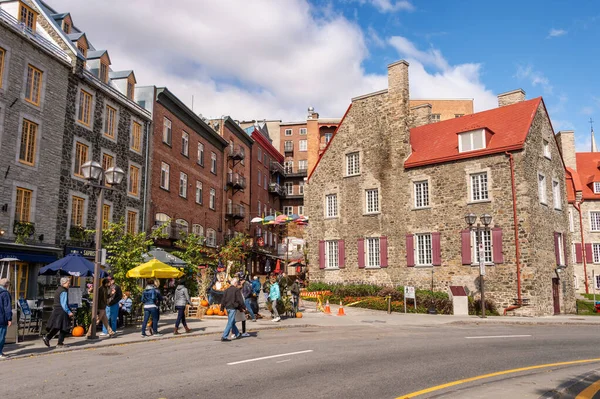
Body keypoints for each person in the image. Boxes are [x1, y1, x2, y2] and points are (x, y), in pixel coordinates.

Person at [43, 277, 75, 348]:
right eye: (68, 282)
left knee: (57, 326)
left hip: (57, 310)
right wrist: (69, 312)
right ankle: (59, 343)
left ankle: (48, 338)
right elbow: (64, 304)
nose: (69, 284)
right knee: (64, 327)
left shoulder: (58, 289)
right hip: (62, 311)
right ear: (64, 283)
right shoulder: (63, 291)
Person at [220, 277, 245, 342]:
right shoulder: (236, 290)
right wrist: (243, 307)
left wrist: (222, 308)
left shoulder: (227, 290)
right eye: (237, 283)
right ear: (235, 283)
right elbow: (240, 300)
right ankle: (224, 336)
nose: (237, 284)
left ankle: (237, 334)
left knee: (232, 321)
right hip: (233, 307)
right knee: (230, 322)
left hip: (227, 307)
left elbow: (223, 299)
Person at [0, 278, 12, 359]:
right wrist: (9, 318)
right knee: (1, 336)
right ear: (7, 285)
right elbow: (7, 307)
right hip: (2, 318)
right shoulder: (5, 293)